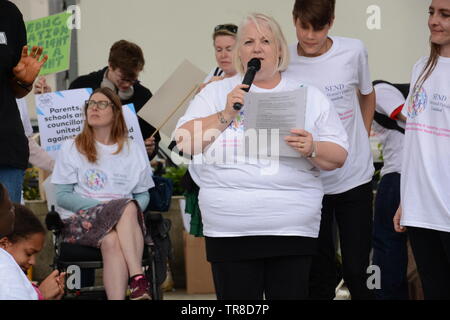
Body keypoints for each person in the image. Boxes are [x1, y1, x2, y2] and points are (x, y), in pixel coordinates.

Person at [175, 13, 348, 300]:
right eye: (249, 42)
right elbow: (184, 143)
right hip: (230, 231)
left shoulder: (308, 94)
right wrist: (225, 115)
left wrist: (312, 147)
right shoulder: (216, 94)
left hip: (291, 229)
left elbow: (339, 156)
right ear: (239, 51)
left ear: (279, 49)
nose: (257, 48)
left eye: (266, 41)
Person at [284, 0, 376, 300]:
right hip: (310, 183)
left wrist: (360, 137)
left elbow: (366, 93)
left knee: (356, 270)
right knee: (319, 273)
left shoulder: (353, 51)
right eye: (303, 27)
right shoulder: (284, 59)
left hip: (354, 178)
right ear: (294, 19)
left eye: (319, 28)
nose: (310, 36)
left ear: (332, 22)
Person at [51, 87, 154, 300]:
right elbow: (62, 196)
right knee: (125, 206)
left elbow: (143, 195)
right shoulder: (72, 147)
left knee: (112, 240)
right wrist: (107, 210)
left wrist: (127, 213)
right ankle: (137, 278)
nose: (94, 108)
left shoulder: (133, 149)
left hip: (124, 226)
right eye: (91, 104)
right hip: (82, 221)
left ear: (115, 112)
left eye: (101, 104)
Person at [394, 0, 450, 300]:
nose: (434, 21)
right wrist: (408, 199)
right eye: (431, 12)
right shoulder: (421, 67)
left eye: (445, 14)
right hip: (421, 211)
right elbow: (416, 141)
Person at [34, 39, 160, 160]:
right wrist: (47, 99)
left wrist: (150, 150)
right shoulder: (81, 85)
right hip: (85, 166)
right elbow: (60, 124)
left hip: (126, 171)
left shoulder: (144, 95)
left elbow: (152, 139)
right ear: (110, 65)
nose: (127, 84)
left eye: (133, 80)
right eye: (123, 78)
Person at [0, 0, 48, 203]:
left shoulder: (8, 13)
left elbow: (16, 90)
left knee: (5, 230)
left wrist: (24, 80)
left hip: (5, 147)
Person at [371, 81, 409, 300]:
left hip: (398, 175)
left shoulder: (379, 89)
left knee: (385, 244)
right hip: (408, 175)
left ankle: (383, 295)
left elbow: (407, 116)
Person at [0, 203, 65, 300]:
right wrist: (41, 294)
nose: (33, 262)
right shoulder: (6, 281)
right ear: (4, 244)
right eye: (28, 253)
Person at [198, 23, 239, 93]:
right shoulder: (216, 72)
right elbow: (194, 102)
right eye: (219, 50)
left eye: (229, 49)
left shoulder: (251, 78)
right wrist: (202, 91)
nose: (223, 55)